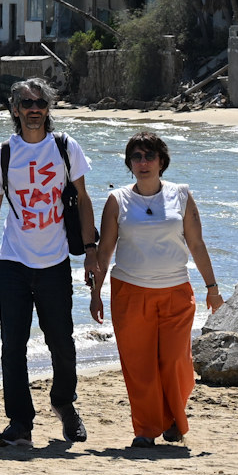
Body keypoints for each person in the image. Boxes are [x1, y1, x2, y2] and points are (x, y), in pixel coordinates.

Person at [0, 78, 97, 450]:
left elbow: (84, 200)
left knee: (62, 342)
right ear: (15, 109)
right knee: (13, 347)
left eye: (39, 102)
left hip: (55, 262)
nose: (33, 109)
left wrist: (91, 250)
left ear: (48, 108)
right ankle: (20, 423)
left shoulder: (66, 148)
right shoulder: (3, 154)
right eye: (26, 103)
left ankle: (64, 404)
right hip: (13, 263)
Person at [86, 130, 225, 449]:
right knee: (139, 364)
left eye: (149, 156)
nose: (143, 162)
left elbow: (197, 243)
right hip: (130, 292)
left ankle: (175, 417)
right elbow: (105, 250)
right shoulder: (117, 200)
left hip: (176, 290)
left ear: (162, 161)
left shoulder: (181, 195)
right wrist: (96, 293)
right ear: (129, 163)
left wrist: (212, 288)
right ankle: (146, 429)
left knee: (177, 362)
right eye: (136, 156)